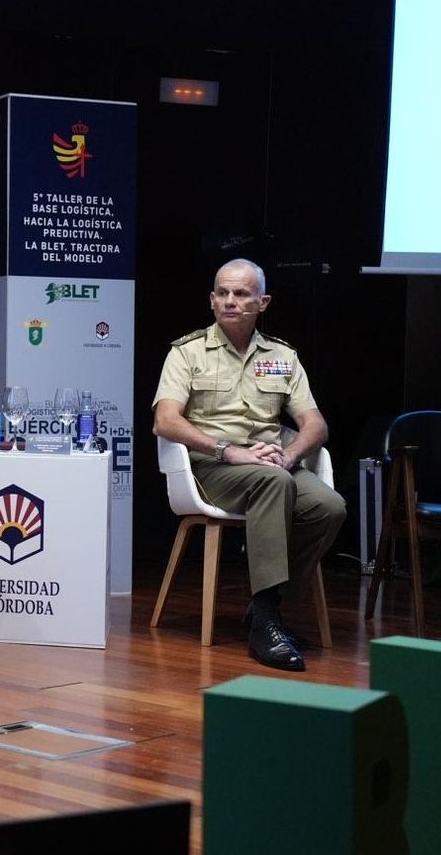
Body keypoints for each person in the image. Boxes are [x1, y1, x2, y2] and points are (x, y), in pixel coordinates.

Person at [152, 258, 346, 671]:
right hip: (213, 468)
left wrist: (290, 455)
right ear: (211, 299)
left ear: (263, 301)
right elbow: (165, 421)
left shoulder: (282, 356)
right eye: (222, 293)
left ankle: (265, 608)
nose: (230, 301)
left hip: (274, 466)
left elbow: (315, 424)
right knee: (274, 485)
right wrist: (228, 450)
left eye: (241, 294)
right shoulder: (187, 353)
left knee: (330, 507)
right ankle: (266, 625)